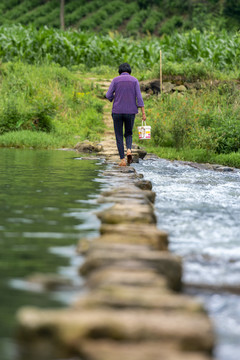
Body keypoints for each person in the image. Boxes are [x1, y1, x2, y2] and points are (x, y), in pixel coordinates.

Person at [105, 63, 146, 166]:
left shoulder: (115, 80)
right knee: (128, 133)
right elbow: (139, 97)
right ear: (129, 71)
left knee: (119, 135)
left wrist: (113, 98)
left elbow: (108, 95)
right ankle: (128, 150)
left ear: (120, 71)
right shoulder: (134, 80)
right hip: (130, 112)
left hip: (117, 112)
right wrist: (143, 113)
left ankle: (122, 160)